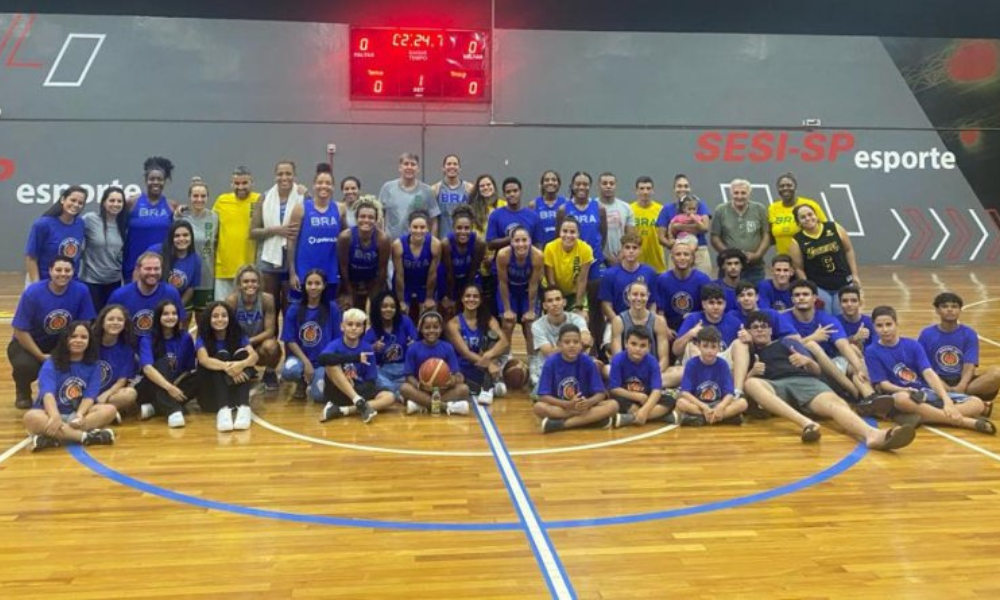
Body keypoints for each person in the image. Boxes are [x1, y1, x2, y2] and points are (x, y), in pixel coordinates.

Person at [742, 311, 916, 450]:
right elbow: (743, 386)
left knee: (836, 405)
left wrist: (807, 361)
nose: (760, 330)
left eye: (764, 327)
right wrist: (752, 372)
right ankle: (807, 424)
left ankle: (873, 435)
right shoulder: (745, 351)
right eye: (755, 327)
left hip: (804, 382)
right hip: (774, 388)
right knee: (751, 383)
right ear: (748, 332)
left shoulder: (786, 343)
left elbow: (817, 371)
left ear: (771, 330)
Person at [867, 305, 994, 434]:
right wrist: (904, 389)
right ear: (874, 327)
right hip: (904, 395)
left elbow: (928, 372)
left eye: (889, 324)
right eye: (879, 326)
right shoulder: (872, 351)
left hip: (926, 393)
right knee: (900, 399)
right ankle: (967, 422)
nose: (885, 330)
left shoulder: (913, 345)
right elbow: (884, 384)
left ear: (896, 324)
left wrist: (946, 400)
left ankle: (921, 417)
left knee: (977, 403)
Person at [779, 280, 888, 412]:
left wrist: (860, 368)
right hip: (802, 368)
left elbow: (843, 345)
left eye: (805, 294)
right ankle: (854, 393)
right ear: (792, 299)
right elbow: (787, 346)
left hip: (829, 366)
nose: (801, 297)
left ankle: (871, 397)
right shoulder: (783, 318)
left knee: (853, 359)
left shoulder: (826, 319)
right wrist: (813, 337)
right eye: (797, 295)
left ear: (814, 298)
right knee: (813, 345)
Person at [9, 255, 96, 408]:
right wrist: (41, 356)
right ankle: (23, 390)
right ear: (50, 271)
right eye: (58, 270)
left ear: (73, 272)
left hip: (61, 343)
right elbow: (20, 330)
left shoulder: (81, 291)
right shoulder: (33, 293)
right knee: (26, 366)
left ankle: (67, 393)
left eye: (67, 270)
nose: (63, 274)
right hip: (28, 343)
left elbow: (85, 324)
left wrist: (73, 348)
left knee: (76, 362)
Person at [22, 322, 117, 452]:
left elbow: (90, 396)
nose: (78, 340)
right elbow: (47, 393)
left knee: (110, 410)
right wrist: (55, 416)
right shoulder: (51, 363)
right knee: (30, 417)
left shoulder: (94, 366)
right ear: (66, 339)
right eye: (73, 336)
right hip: (49, 414)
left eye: (83, 337)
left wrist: (80, 415)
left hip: (77, 416)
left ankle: (55, 437)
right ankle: (86, 437)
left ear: (89, 341)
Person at [533, 324, 619, 433]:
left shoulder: (587, 362)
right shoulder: (551, 362)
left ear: (581, 345)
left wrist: (588, 402)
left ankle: (562, 425)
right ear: (559, 344)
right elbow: (543, 396)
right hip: (562, 407)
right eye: (567, 342)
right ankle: (591, 421)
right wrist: (567, 405)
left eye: (576, 342)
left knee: (613, 405)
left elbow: (600, 393)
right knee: (539, 407)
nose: (572, 345)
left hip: (584, 406)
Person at [317, 308, 395, 423]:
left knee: (389, 397)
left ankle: (343, 410)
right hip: (338, 391)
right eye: (350, 324)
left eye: (358, 325)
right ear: (342, 327)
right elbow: (322, 359)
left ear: (363, 329)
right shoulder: (335, 345)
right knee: (331, 364)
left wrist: (356, 389)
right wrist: (355, 358)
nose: (354, 328)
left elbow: (371, 381)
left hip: (358, 390)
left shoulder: (367, 348)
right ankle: (359, 403)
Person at [919, 292, 1000, 401]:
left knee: (996, 373)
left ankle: (952, 398)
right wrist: (942, 385)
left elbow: (969, 364)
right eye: (945, 306)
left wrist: (962, 385)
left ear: (960, 310)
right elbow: (923, 366)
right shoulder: (926, 334)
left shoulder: (969, 333)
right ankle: (962, 400)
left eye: (954, 306)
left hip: (963, 381)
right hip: (936, 379)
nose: (950, 310)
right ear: (937, 310)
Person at [557, 172, 608, 342]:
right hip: (571, 264)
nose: (581, 187)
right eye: (578, 183)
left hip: (593, 263)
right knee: (571, 307)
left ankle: (597, 346)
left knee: (595, 307)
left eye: (585, 184)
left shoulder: (599, 208)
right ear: (572, 186)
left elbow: (602, 235)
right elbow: (559, 237)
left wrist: (595, 253)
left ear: (590, 186)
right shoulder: (564, 209)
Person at [288, 163, 347, 302]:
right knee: (300, 313)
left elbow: (346, 238)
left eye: (328, 183)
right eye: (320, 182)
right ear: (314, 185)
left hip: (330, 273)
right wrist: (292, 273)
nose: (324, 186)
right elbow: (291, 241)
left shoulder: (340, 208)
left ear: (333, 187)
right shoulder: (301, 208)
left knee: (327, 313)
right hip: (304, 272)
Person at [252, 160, 304, 318]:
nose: (284, 177)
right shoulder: (264, 198)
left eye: (288, 173)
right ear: (275, 176)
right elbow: (252, 232)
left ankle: (289, 342)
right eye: (280, 174)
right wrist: (276, 230)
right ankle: (270, 342)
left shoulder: (303, 196)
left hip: (293, 259)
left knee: (291, 309)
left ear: (295, 175)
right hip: (269, 260)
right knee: (270, 308)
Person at [281, 269, 343, 401]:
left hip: (322, 361)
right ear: (304, 285)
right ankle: (301, 383)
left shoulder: (332, 308)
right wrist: (306, 363)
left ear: (324, 285)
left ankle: (322, 378)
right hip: (302, 358)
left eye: (317, 283)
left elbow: (337, 339)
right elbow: (290, 340)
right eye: (309, 283)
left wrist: (327, 361)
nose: (313, 287)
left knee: (319, 396)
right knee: (289, 371)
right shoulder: (294, 308)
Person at [196, 301, 259, 432]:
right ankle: (223, 411)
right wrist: (227, 367)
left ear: (229, 318)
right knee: (222, 356)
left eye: (224, 316)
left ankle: (244, 408)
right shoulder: (203, 336)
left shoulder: (238, 333)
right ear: (209, 319)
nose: (220, 319)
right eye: (215, 316)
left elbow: (254, 357)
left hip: (233, 389)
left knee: (243, 354)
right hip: (211, 395)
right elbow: (204, 360)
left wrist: (240, 365)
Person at [788, 204, 859, 315]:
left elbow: (848, 250)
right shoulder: (797, 240)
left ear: (816, 215)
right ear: (798, 222)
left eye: (810, 214)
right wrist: (810, 288)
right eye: (803, 217)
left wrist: (854, 274)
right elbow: (798, 268)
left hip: (843, 281)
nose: (808, 218)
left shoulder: (834, 227)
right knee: (826, 317)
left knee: (842, 316)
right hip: (820, 286)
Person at [135, 299, 197, 427]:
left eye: (174, 313)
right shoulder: (147, 338)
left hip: (175, 384)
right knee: (164, 363)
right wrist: (169, 388)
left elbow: (188, 369)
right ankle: (173, 411)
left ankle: (154, 408)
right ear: (158, 317)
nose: (171, 317)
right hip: (151, 386)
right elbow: (147, 369)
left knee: (199, 376)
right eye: (166, 314)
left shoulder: (185, 338)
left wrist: (175, 386)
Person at [399, 311, 472, 416]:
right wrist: (419, 386)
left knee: (464, 389)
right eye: (427, 327)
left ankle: (422, 406)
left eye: (435, 327)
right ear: (420, 329)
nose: (431, 330)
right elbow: (408, 376)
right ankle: (447, 407)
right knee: (404, 388)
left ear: (441, 329)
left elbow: (458, 374)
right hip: (422, 390)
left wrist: (452, 381)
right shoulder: (413, 348)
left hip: (442, 390)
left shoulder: (447, 347)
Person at [446, 284, 510, 403]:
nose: (471, 299)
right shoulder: (453, 324)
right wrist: (489, 364)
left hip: (483, 364)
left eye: (475, 296)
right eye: (468, 296)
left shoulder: (488, 319)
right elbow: (465, 353)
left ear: (480, 300)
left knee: (494, 342)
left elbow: (504, 342)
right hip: (463, 367)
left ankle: (487, 385)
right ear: (462, 299)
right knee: (458, 382)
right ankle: (488, 386)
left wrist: (488, 355)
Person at [609, 280, 679, 387]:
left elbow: (664, 359)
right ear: (628, 296)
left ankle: (639, 385)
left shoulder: (658, 321)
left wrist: (653, 375)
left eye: (642, 295)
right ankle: (640, 385)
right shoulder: (618, 321)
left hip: (651, 371)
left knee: (681, 372)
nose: (638, 298)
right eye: (635, 294)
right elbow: (617, 356)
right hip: (626, 372)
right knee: (605, 369)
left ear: (648, 296)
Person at [677, 326, 748, 425]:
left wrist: (721, 406)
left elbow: (729, 393)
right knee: (681, 403)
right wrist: (703, 407)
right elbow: (685, 392)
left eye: (713, 347)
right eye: (705, 346)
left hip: (718, 403)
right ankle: (723, 418)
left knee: (742, 403)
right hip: (698, 404)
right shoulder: (691, 364)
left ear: (719, 347)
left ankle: (702, 419)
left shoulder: (723, 364)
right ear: (698, 346)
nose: (709, 351)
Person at [225, 265, 281, 391]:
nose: (250, 284)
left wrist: (249, 342)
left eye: (254, 281)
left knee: (272, 346)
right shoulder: (232, 301)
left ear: (259, 283)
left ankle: (270, 373)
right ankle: (245, 368)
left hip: (258, 344)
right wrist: (243, 345)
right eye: (246, 281)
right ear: (239, 284)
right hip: (238, 345)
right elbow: (228, 329)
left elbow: (270, 331)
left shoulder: (267, 299)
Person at [608, 326, 677, 426]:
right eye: (633, 344)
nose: (637, 349)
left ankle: (631, 418)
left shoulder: (652, 361)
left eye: (643, 345)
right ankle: (659, 416)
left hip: (646, 398)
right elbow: (614, 388)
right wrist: (636, 396)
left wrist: (645, 410)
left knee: (670, 399)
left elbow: (656, 390)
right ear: (626, 343)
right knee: (615, 399)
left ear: (649, 348)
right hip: (627, 397)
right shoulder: (618, 360)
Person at [108, 251, 185, 338]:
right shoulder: (119, 296)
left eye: (156, 269)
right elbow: (108, 327)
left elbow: (179, 324)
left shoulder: (171, 293)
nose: (152, 273)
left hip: (159, 347)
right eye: (148, 269)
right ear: (138, 269)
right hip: (128, 347)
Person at [530, 286, 592, 395]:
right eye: (550, 301)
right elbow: (549, 353)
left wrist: (562, 348)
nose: (555, 303)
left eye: (558, 299)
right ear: (544, 305)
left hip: (574, 367)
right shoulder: (537, 326)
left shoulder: (577, 319)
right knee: (539, 399)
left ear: (564, 302)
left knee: (596, 365)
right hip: (550, 370)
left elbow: (587, 341)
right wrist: (574, 345)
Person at [123, 156, 177, 281]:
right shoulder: (132, 202)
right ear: (146, 180)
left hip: (160, 267)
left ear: (165, 181)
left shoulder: (172, 206)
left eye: (160, 179)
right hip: (133, 265)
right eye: (152, 179)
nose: (156, 182)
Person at [213, 166, 260, 300]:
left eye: (244, 183)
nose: (240, 187)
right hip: (224, 270)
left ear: (252, 183)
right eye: (237, 183)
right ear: (231, 184)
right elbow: (209, 225)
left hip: (250, 272)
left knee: (246, 314)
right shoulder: (222, 200)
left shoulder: (259, 199)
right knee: (223, 312)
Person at [710, 179, 770, 284]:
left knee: (754, 296)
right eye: (736, 193)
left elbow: (766, 235)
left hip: (755, 267)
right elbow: (715, 237)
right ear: (731, 193)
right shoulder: (720, 210)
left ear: (749, 194)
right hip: (729, 266)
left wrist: (757, 255)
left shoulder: (759, 209)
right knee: (727, 296)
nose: (739, 196)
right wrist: (730, 255)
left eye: (743, 193)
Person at [337, 197, 391, 311]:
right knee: (347, 307)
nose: (366, 220)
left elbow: (382, 270)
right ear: (356, 218)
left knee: (374, 310)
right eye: (362, 216)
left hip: (373, 283)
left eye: (371, 217)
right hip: (350, 282)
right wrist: (349, 293)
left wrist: (373, 298)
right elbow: (342, 267)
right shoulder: (345, 237)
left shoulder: (383, 239)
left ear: (376, 220)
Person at [496, 225, 543, 353]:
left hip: (526, 290)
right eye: (517, 240)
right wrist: (507, 309)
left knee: (531, 325)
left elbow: (534, 284)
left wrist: (531, 310)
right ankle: (505, 360)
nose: (521, 244)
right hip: (509, 290)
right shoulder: (503, 255)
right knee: (508, 323)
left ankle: (533, 362)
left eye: (524, 240)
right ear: (511, 242)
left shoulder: (537, 256)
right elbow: (502, 282)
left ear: (530, 241)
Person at [671, 284, 744, 366]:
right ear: (704, 304)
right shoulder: (693, 319)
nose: (715, 307)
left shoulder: (735, 322)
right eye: (711, 303)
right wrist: (690, 334)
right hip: (698, 365)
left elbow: (744, 352)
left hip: (723, 364)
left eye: (719, 303)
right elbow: (675, 351)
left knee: (741, 344)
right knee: (692, 346)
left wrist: (748, 340)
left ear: (725, 304)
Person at [363, 290, 418, 400]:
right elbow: (364, 356)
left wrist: (413, 345)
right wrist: (373, 348)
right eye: (384, 306)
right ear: (378, 309)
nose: (389, 309)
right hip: (384, 371)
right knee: (372, 375)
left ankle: (394, 392)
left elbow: (417, 342)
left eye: (392, 307)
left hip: (405, 369)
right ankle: (399, 393)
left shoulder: (405, 322)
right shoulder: (371, 332)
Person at [25, 185, 87, 283]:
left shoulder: (80, 223)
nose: (76, 204)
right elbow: (31, 258)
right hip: (44, 282)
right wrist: (37, 286)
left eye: (80, 203)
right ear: (63, 199)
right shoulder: (42, 224)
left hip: (70, 282)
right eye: (73, 200)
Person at [80, 187, 127, 311]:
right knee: (91, 321)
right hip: (91, 281)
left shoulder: (124, 224)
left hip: (114, 282)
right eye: (112, 200)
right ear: (104, 202)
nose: (116, 204)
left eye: (119, 201)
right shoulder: (90, 219)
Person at [178, 177, 219, 317]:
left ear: (208, 197)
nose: (199, 199)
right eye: (195, 196)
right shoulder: (180, 217)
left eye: (203, 196)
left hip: (206, 277)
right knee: (184, 320)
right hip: (185, 277)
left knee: (204, 322)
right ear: (189, 197)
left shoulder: (214, 218)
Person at [656, 175, 713, 273]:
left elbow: (705, 228)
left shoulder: (699, 204)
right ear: (674, 189)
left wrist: (679, 227)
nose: (683, 189)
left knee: (705, 285)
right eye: (679, 186)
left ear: (690, 188)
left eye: (686, 186)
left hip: (699, 251)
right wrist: (672, 244)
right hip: (677, 252)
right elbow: (661, 237)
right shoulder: (667, 209)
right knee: (673, 285)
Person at [392, 210, 441, 321]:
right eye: (415, 227)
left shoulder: (435, 244)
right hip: (406, 284)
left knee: (428, 316)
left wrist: (429, 297)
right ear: (409, 227)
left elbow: (432, 274)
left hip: (424, 284)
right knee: (401, 315)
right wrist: (400, 301)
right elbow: (399, 275)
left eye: (422, 227)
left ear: (428, 228)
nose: (418, 231)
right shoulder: (398, 245)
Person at [149, 220, 200, 327]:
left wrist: (177, 307)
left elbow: (190, 288)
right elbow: (139, 273)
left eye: (185, 235)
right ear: (171, 238)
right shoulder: (156, 251)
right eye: (177, 236)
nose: (181, 239)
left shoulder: (195, 259)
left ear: (191, 237)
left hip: (176, 306)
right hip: (152, 304)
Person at [655, 239, 712, 333]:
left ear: (693, 258)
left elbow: (707, 310)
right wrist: (666, 329)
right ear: (672, 257)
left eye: (686, 254)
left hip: (696, 328)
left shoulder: (703, 279)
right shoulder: (662, 280)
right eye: (678, 254)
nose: (682, 258)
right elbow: (660, 311)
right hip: (670, 329)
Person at [439, 206, 486, 319]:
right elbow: (449, 274)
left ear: (472, 228)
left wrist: (466, 294)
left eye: (467, 228)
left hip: (468, 277)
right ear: (453, 228)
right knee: (448, 308)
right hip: (449, 279)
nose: (463, 232)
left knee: (471, 302)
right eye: (459, 228)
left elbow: (474, 270)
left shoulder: (479, 243)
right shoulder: (446, 244)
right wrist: (450, 298)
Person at [599, 233, 659, 322]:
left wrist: (650, 322)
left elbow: (652, 303)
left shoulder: (650, 272)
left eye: (635, 248)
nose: (631, 251)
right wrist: (617, 322)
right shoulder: (609, 274)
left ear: (640, 250)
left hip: (644, 321)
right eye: (627, 247)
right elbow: (606, 305)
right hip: (617, 320)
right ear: (622, 250)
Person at [378, 152, 439, 239]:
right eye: (406, 164)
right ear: (400, 167)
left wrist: (432, 243)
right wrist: (381, 239)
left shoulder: (427, 191)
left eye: (413, 164)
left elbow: (434, 221)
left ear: (418, 169)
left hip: (418, 246)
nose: (409, 167)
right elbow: (379, 216)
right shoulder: (387, 188)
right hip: (391, 245)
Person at [92, 304, 138, 417]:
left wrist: (106, 395)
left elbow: (121, 381)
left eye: (120, 320)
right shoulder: (89, 343)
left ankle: (100, 411)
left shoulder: (126, 349)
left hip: (108, 396)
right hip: (85, 394)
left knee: (130, 394)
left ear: (125, 324)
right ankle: (103, 413)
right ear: (102, 322)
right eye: (110, 319)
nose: (115, 322)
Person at [543, 216, 593, 320]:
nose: (568, 235)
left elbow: (582, 280)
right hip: (554, 290)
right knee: (554, 318)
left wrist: (579, 306)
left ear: (578, 234)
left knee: (582, 318)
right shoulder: (550, 248)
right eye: (564, 231)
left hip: (574, 292)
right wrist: (557, 302)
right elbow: (551, 281)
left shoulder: (586, 249)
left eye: (572, 232)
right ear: (559, 232)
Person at [768, 172, 827, 256]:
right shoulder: (772, 208)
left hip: (807, 257)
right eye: (782, 186)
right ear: (778, 189)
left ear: (795, 187)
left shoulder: (810, 205)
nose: (785, 188)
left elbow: (825, 230)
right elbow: (770, 237)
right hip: (784, 262)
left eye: (789, 185)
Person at [487, 176, 543, 252]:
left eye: (515, 191)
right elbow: (490, 244)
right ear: (504, 194)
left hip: (527, 262)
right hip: (503, 262)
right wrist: (512, 238)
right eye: (508, 192)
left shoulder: (533, 216)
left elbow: (538, 244)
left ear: (521, 192)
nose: (512, 194)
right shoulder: (495, 215)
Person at [596, 172, 636, 267]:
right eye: (605, 183)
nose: (608, 186)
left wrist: (622, 254)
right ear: (598, 185)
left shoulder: (626, 207)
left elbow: (631, 237)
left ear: (615, 185)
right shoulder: (592, 207)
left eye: (611, 183)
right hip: (599, 259)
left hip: (622, 259)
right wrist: (604, 257)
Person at [631, 176, 668, 273]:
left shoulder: (661, 209)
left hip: (657, 264)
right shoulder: (629, 210)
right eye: (642, 188)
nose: (645, 192)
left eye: (648, 188)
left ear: (652, 191)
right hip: (635, 263)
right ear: (636, 191)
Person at [431, 154, 473, 237]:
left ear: (460, 168)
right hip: (443, 239)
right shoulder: (435, 189)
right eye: (449, 164)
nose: (452, 166)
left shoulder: (469, 188)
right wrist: (434, 240)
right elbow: (434, 220)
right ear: (443, 168)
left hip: (464, 239)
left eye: (455, 164)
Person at [530, 169, 567, 246]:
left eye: (554, 180)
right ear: (542, 184)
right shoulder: (534, 204)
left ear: (559, 184)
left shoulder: (566, 203)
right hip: (541, 247)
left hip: (561, 248)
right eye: (547, 180)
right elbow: (531, 230)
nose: (550, 182)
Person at [837, 285, 874, 353]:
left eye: (854, 301)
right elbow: (833, 348)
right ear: (839, 304)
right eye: (845, 301)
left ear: (860, 303)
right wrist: (854, 338)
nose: (849, 304)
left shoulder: (871, 323)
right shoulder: (833, 323)